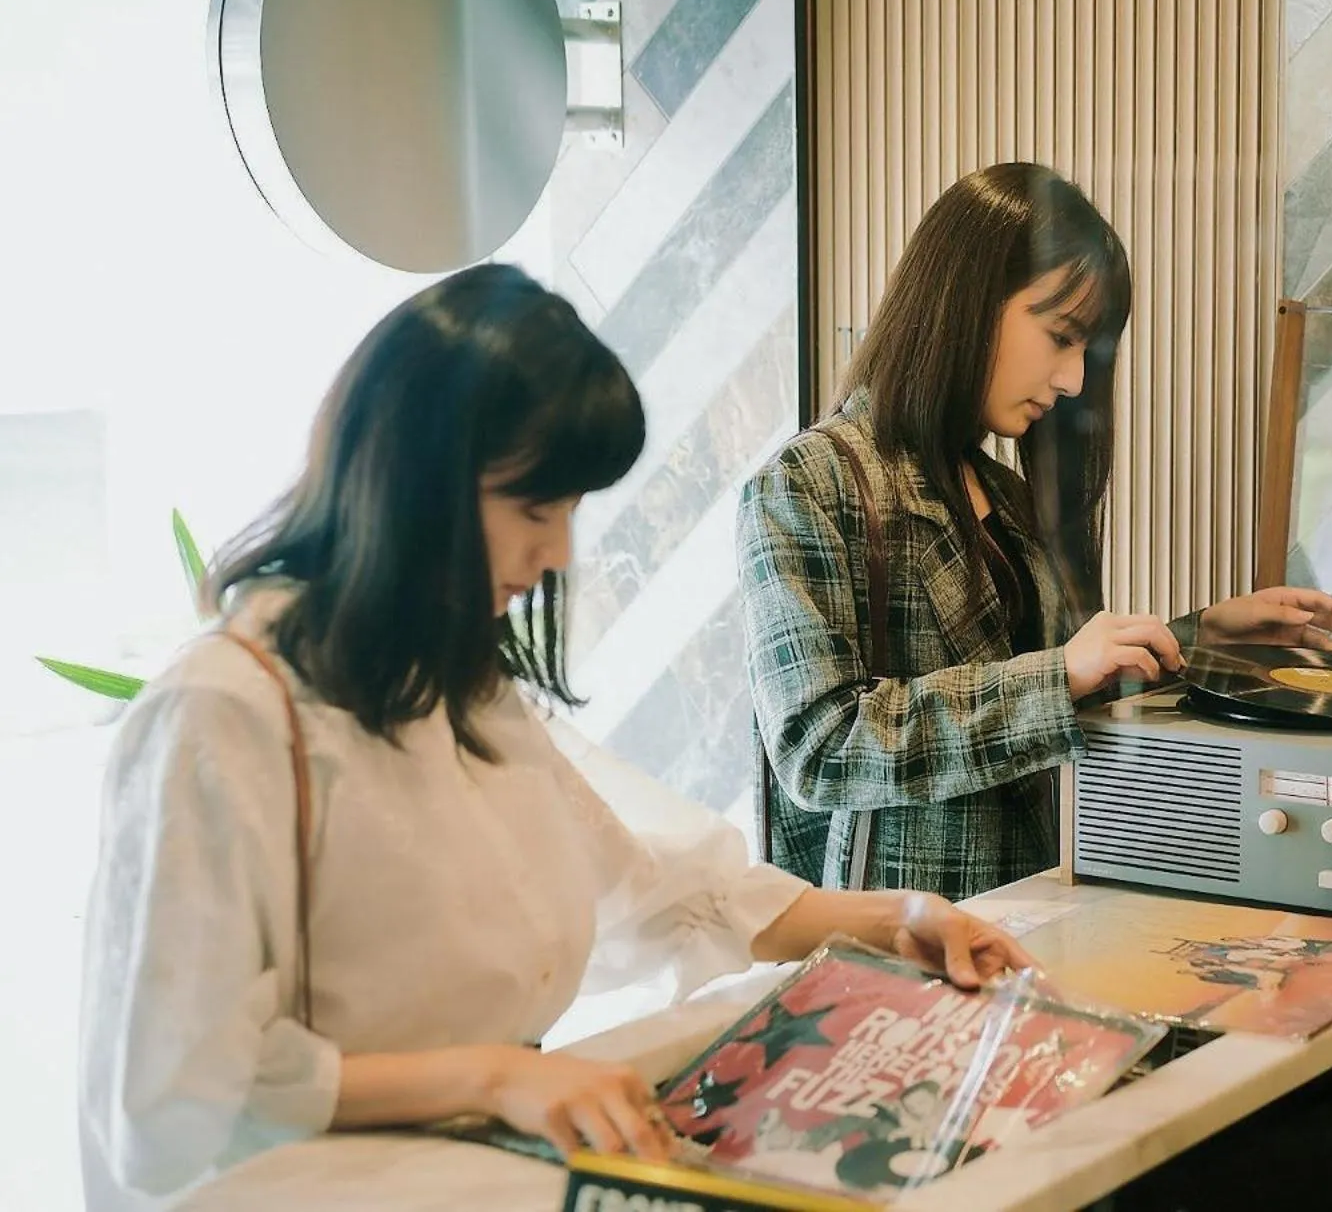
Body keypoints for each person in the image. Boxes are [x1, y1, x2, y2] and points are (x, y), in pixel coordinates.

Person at [77, 265, 1031, 1209]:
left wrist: (893, 917)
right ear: (407, 484)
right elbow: (170, 1100)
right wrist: (493, 1076)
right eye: (534, 509)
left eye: (571, 510)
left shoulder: (460, 691)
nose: (556, 556)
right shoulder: (219, 714)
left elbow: (651, 888)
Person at [737, 162, 1332, 902]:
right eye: (1060, 335)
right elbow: (818, 748)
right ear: (967, 298)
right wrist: (1060, 675)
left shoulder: (1004, 494)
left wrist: (1203, 637)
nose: (1072, 380)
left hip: (1043, 914)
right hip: (904, 949)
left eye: (1087, 352)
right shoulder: (805, 482)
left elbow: (1060, 685)